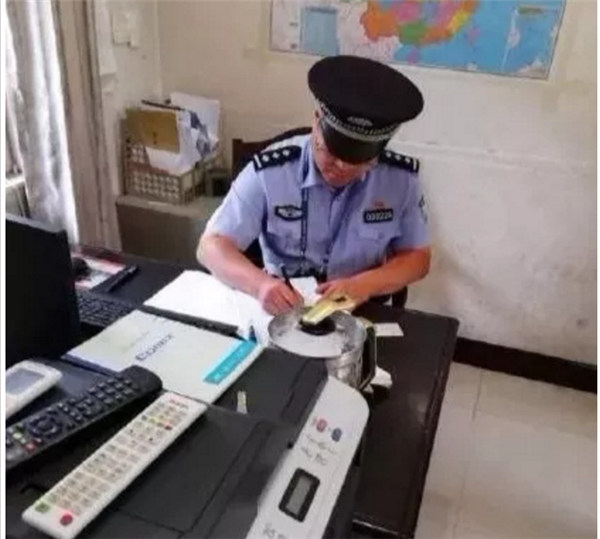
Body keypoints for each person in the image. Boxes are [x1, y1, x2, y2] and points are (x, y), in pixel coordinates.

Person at [198, 55, 431, 315]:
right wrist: (260, 285)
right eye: (330, 152)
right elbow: (211, 247)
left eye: (355, 161)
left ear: (376, 155)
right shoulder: (271, 172)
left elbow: (418, 257)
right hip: (284, 305)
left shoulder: (400, 180)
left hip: (361, 304)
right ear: (316, 123)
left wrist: (364, 285)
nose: (340, 167)